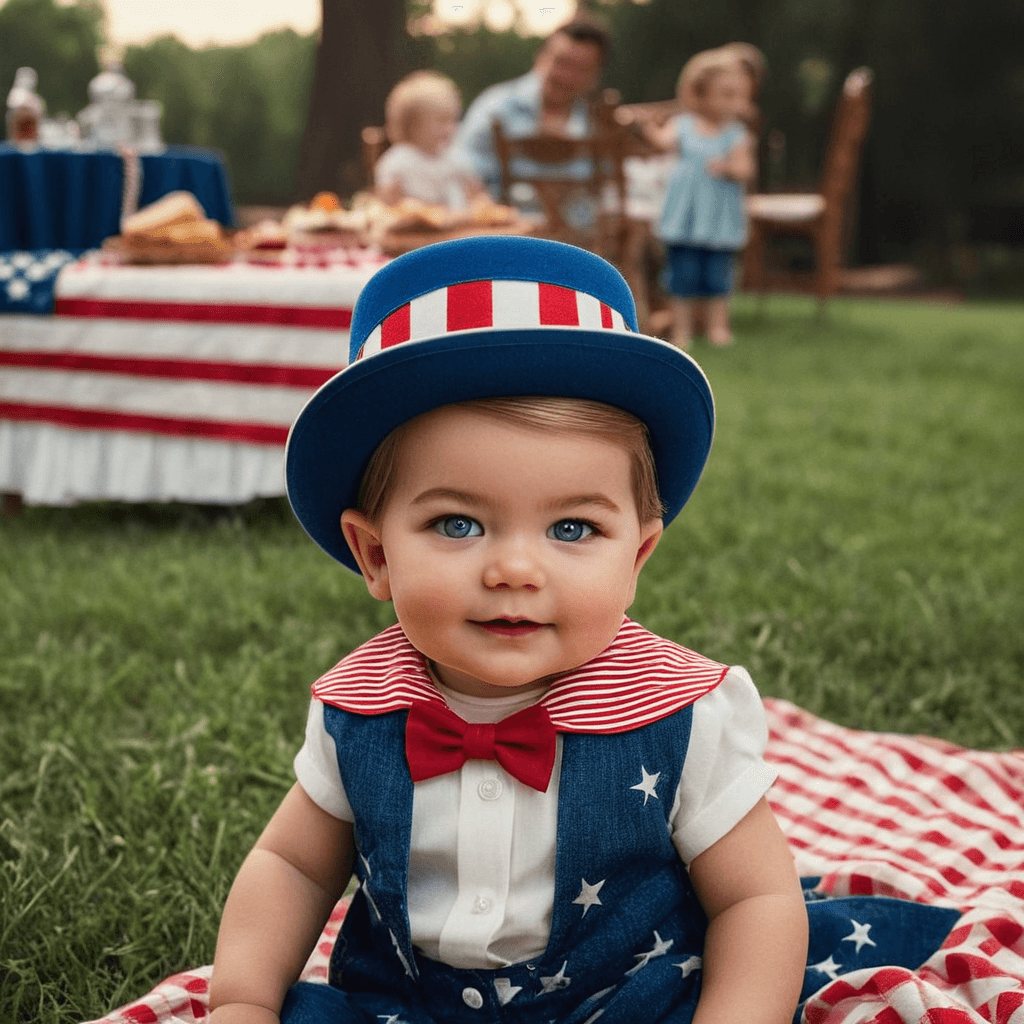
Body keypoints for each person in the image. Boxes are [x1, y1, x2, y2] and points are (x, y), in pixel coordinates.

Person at [206, 236, 958, 1024]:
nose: (514, 569)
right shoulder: (359, 708)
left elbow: (757, 899)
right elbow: (291, 865)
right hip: (407, 1004)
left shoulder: (679, 714)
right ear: (375, 554)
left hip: (629, 997)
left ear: (636, 558)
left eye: (572, 529)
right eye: (458, 523)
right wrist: (243, 1000)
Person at [638, 49, 756, 350]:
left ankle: (718, 327)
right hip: (685, 219)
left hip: (718, 221)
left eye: (739, 95)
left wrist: (728, 168)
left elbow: (745, 169)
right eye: (726, 94)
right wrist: (648, 126)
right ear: (700, 93)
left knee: (719, 277)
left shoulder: (736, 134)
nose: (735, 102)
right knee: (681, 277)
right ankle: (682, 330)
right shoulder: (683, 125)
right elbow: (661, 142)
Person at [449, 14, 611, 199]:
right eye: (561, 63)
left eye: (580, 69)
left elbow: (615, 186)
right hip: (503, 216)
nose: (566, 76)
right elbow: (462, 168)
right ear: (541, 57)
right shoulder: (496, 106)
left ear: (596, 75)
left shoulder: (603, 122)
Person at [374, 70, 485, 209]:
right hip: (416, 223)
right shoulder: (399, 161)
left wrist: (479, 205)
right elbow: (386, 204)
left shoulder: (454, 156)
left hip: (460, 221)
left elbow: (478, 195)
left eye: (453, 120)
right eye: (442, 121)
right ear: (414, 126)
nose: (450, 128)